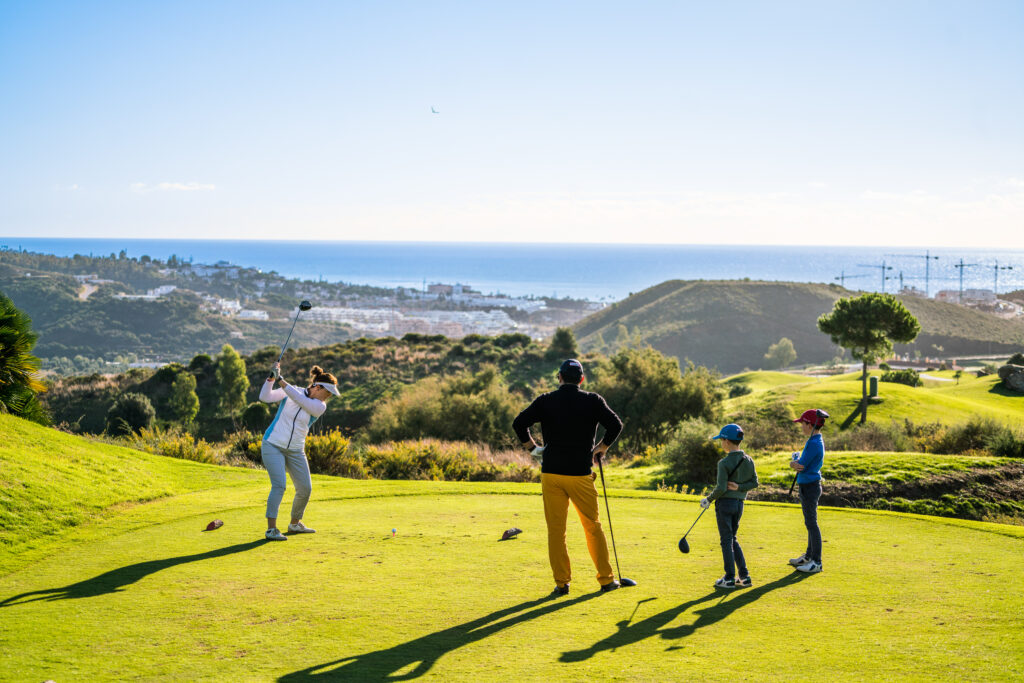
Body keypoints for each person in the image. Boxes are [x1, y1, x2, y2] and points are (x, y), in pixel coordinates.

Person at [512, 359, 624, 596]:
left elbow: (519, 423)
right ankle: (606, 580)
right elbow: (615, 424)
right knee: (592, 527)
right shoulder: (592, 400)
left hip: (551, 473)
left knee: (556, 530)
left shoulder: (545, 400)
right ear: (581, 379)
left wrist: (533, 449)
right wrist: (601, 447)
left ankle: (562, 584)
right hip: (579, 474)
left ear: (559, 377)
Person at [258, 362, 340, 541]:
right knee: (279, 486)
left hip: (295, 450)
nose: (328, 398)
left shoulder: (319, 406)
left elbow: (301, 400)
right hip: (272, 444)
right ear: (318, 387)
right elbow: (265, 397)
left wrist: (281, 380)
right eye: (327, 393)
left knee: (305, 488)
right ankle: (271, 529)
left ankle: (295, 524)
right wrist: (272, 378)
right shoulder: (292, 390)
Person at [701, 423, 759, 589]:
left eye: (721, 440)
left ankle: (729, 578)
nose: (721, 443)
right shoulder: (749, 460)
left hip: (725, 504)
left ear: (727, 441)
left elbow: (720, 488)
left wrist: (708, 499)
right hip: (739, 504)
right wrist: (740, 488)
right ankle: (744, 576)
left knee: (726, 540)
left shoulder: (723, 463)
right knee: (733, 539)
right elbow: (755, 482)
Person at [788, 408, 828, 573]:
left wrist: (793, 461)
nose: (801, 426)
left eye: (803, 423)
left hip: (810, 486)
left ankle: (816, 562)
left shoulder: (813, 443)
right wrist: (797, 460)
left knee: (812, 523)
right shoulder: (814, 440)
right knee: (809, 523)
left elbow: (801, 466)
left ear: (810, 424)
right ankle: (809, 556)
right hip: (809, 485)